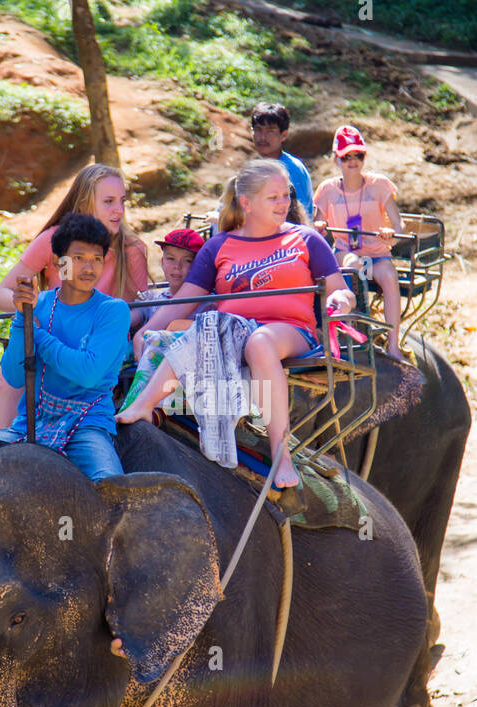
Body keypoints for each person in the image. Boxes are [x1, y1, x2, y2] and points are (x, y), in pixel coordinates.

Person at [117, 159, 355, 489]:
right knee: (210, 323)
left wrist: (340, 301)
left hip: (287, 329)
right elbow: (184, 299)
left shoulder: (306, 239)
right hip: (231, 332)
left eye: (285, 195)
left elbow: (340, 290)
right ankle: (145, 405)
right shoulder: (220, 246)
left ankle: (281, 455)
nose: (284, 203)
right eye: (273, 197)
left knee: (259, 341)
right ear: (247, 203)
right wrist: (146, 329)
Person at [0, 213, 130, 482]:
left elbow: (87, 373)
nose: (89, 268)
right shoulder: (38, 304)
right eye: (78, 258)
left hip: (87, 426)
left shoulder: (112, 310)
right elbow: (14, 375)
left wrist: (37, 332)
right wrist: (23, 317)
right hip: (29, 424)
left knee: (111, 485)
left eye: (97, 259)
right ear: (57, 262)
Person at [0, 164, 147, 428]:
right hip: (52, 333)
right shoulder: (53, 241)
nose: (119, 210)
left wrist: (110, 322)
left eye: (122, 201)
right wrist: (35, 308)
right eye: (108, 202)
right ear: (85, 203)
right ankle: (7, 446)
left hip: (100, 344)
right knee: (11, 375)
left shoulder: (132, 249)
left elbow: (142, 308)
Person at [313, 125, 405, 358]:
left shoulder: (379, 185)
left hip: (377, 254)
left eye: (358, 155)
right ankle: (355, 322)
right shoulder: (327, 190)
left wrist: (389, 234)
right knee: (352, 262)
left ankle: (393, 344)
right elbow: (316, 230)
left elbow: (398, 226)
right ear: (336, 159)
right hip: (345, 252)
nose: (352, 162)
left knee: (389, 276)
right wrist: (320, 227)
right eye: (346, 157)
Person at [250, 102, 313, 223]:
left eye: (270, 131)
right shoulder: (256, 168)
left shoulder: (292, 169)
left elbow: (297, 217)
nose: (263, 137)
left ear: (284, 135)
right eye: (258, 130)